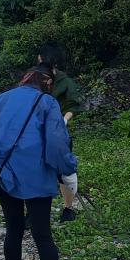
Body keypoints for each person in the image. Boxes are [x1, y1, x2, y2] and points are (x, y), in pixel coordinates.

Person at [0, 65, 77, 260]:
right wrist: (67, 167)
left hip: (5, 174)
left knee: (13, 229)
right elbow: (57, 141)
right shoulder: (47, 102)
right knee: (43, 234)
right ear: (47, 82)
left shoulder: (0, 100)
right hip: (37, 176)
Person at [38, 44, 84, 222]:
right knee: (38, 169)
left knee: (64, 172)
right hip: (37, 132)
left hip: (58, 133)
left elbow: (73, 104)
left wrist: (63, 121)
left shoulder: (65, 82)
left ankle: (68, 208)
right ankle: (34, 211)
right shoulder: (36, 80)